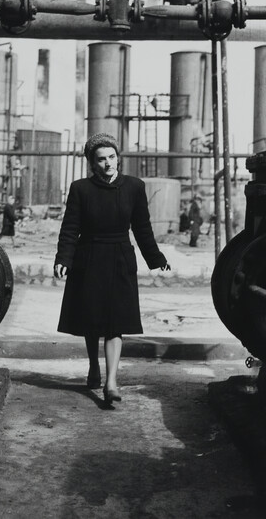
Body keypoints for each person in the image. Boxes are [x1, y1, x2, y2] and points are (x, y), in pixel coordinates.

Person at [53, 133, 171, 405]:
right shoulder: (80, 188)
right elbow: (70, 228)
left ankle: (111, 382)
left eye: (112, 157)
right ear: (92, 164)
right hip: (89, 258)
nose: (108, 163)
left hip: (120, 258)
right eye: (101, 159)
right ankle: (94, 366)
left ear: (118, 157)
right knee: (92, 319)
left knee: (116, 322)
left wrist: (156, 257)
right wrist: (63, 259)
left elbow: (142, 228)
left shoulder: (134, 187)